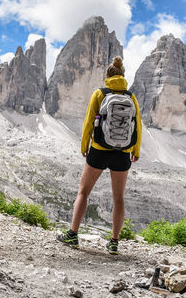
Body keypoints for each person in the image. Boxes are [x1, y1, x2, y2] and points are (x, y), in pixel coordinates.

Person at [57, 56, 142, 255]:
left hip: (99, 149)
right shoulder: (131, 97)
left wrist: (84, 145)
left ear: (107, 75)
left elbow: (89, 122)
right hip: (122, 153)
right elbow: (137, 125)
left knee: (83, 193)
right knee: (119, 198)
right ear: (123, 76)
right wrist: (135, 151)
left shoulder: (99, 94)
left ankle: (72, 235)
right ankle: (114, 242)